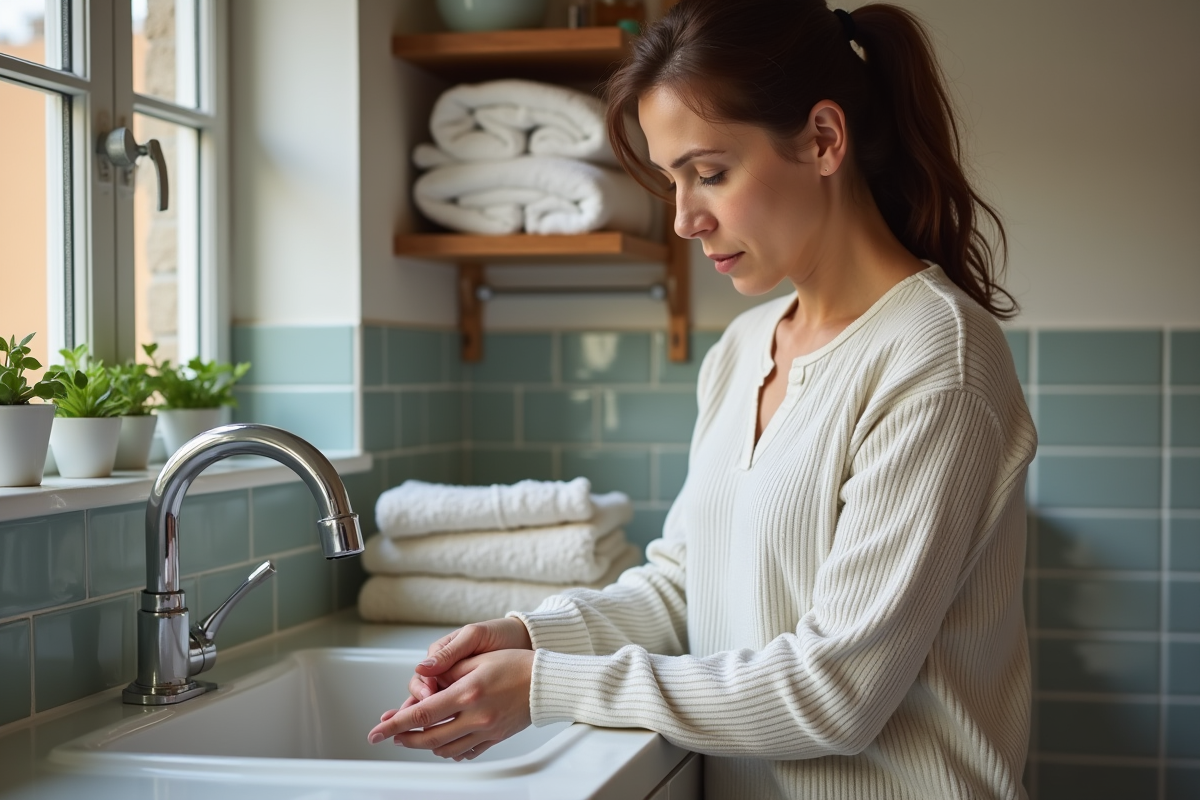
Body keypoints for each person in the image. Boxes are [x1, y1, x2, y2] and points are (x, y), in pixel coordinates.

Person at [367, 1, 1037, 797]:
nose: (684, 219)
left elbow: (838, 693)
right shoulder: (741, 350)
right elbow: (686, 589)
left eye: (710, 173)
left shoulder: (937, 357)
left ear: (824, 139)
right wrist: (526, 636)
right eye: (672, 180)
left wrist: (546, 685)